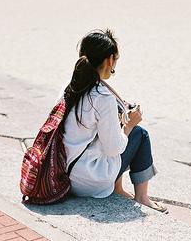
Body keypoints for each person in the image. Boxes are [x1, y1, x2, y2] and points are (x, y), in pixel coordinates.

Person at [61, 29, 166, 212]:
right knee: (140, 134)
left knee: (114, 131)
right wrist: (130, 124)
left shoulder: (71, 88)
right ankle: (142, 197)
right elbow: (113, 148)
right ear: (110, 60)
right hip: (89, 182)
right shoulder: (103, 97)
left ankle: (118, 189)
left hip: (65, 174)